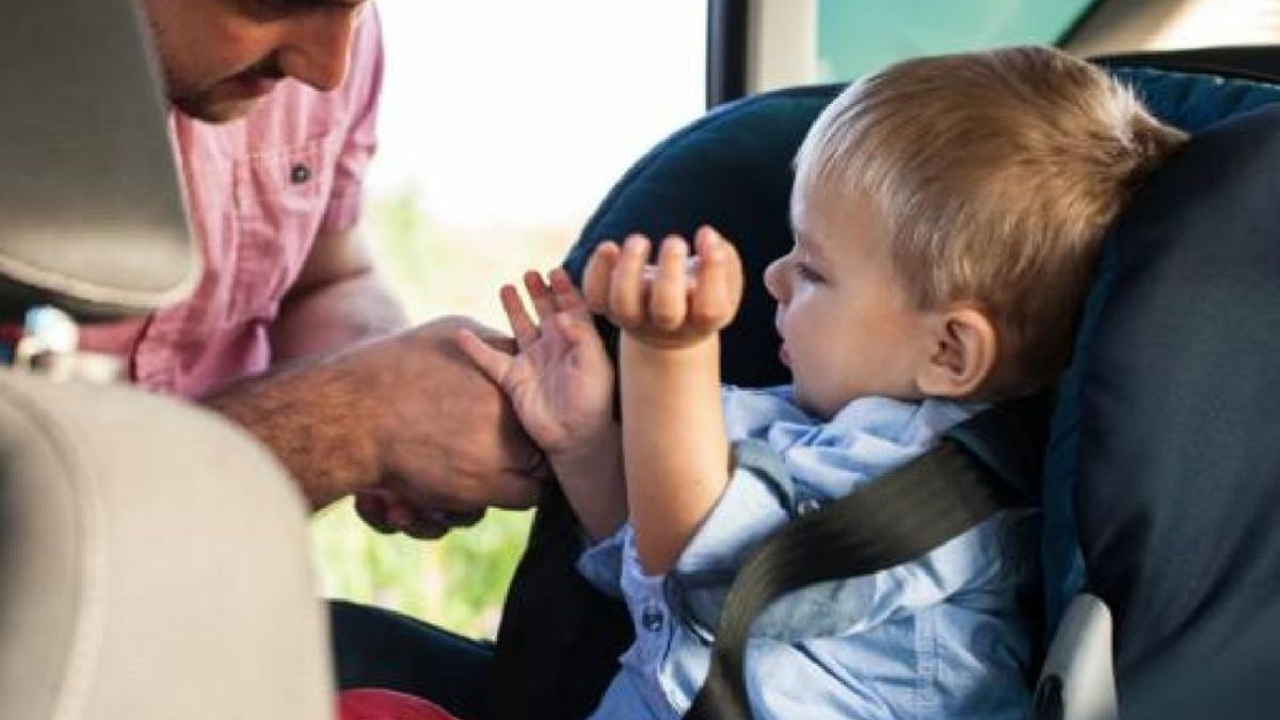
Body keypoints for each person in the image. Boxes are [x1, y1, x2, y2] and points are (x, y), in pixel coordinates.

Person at [457, 45, 1186, 719]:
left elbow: (706, 560)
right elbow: (657, 551)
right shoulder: (814, 427)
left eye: (812, 269)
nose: (774, 277)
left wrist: (667, 352)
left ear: (950, 350)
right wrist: (585, 440)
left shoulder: (938, 512)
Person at [75, 0, 546, 533]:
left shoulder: (334, 46)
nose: (328, 71)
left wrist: (398, 375)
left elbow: (327, 278)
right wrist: (351, 420)